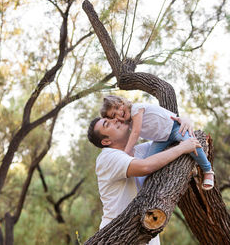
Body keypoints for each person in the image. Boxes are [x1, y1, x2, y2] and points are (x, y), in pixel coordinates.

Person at [87, 116, 202, 245]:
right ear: (106, 141)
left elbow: (172, 136)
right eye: (107, 124)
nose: (115, 120)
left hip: (146, 234)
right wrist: (182, 148)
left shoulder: (138, 151)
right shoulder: (107, 157)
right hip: (118, 235)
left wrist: (184, 121)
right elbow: (145, 166)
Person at [100, 95, 214, 190]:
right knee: (149, 162)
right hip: (161, 139)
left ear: (122, 102)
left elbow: (136, 132)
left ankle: (207, 170)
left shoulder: (136, 109)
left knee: (192, 143)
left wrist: (125, 153)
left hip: (174, 128)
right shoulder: (128, 124)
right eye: (114, 115)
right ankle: (142, 190)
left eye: (117, 107)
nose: (119, 113)